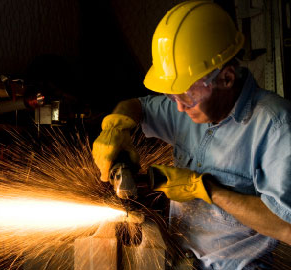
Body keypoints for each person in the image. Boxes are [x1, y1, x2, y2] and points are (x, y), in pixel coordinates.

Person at [92, 1, 291, 269]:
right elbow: (137, 106)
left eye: (187, 93)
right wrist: (116, 127)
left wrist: (206, 189)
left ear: (227, 78)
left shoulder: (275, 124)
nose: (178, 106)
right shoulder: (188, 107)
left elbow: (286, 226)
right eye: (171, 94)